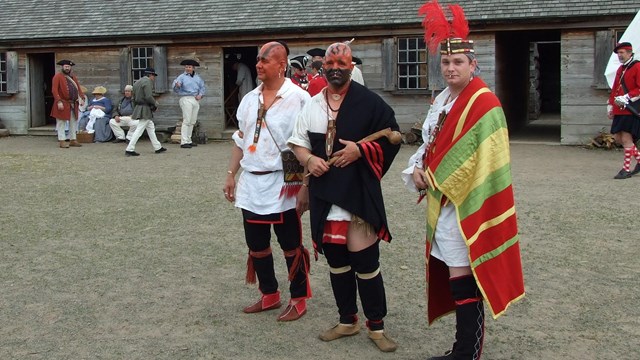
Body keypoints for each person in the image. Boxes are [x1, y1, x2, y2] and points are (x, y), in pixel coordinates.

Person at [402, 2, 525, 359]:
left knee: (465, 275)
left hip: (468, 204)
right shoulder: (441, 101)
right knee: (457, 275)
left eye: (458, 62)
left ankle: (467, 352)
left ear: (473, 65)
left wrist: (434, 178)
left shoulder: (485, 104)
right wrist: (416, 171)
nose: (451, 68)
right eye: (446, 62)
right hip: (442, 203)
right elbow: (429, 146)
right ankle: (462, 348)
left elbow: (486, 159)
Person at [288, 42, 400, 352]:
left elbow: (394, 136)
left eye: (342, 63)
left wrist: (360, 150)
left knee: (365, 261)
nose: (336, 68)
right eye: (331, 63)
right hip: (324, 193)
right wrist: (308, 161)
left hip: (357, 192)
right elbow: (297, 144)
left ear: (352, 67)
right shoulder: (311, 105)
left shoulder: (370, 103)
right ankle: (347, 320)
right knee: (337, 260)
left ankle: (376, 326)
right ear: (323, 67)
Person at [223, 41, 312, 322]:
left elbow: (309, 144)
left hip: (285, 182)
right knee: (256, 244)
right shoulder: (249, 99)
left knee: (290, 245)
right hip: (252, 183)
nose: (259, 64)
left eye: (265, 60)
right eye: (258, 60)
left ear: (282, 64)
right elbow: (241, 138)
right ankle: (269, 294)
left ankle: (298, 297)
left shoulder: (299, 98)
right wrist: (231, 175)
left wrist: (306, 187)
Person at [607, 41, 640, 179]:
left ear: (629, 53)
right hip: (619, 108)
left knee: (626, 138)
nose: (619, 55)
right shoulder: (621, 69)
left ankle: (625, 169)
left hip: (630, 107)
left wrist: (627, 97)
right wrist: (610, 106)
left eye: (622, 53)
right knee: (618, 137)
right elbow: (615, 89)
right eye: (618, 53)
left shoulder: (637, 66)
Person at [126, 67, 167, 156]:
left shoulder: (136, 82)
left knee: (150, 127)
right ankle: (130, 148)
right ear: (150, 75)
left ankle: (157, 147)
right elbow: (148, 96)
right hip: (144, 108)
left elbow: (133, 98)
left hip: (139, 106)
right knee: (140, 129)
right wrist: (155, 104)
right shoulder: (147, 82)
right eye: (153, 76)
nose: (154, 78)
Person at [51, 59, 85, 148]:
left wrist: (82, 97)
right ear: (62, 67)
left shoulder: (73, 77)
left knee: (73, 122)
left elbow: (78, 88)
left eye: (69, 67)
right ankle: (62, 140)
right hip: (63, 102)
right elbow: (54, 90)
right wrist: (58, 101)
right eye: (66, 66)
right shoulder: (57, 76)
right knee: (61, 122)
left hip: (73, 103)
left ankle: (73, 139)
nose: (67, 68)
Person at [172, 59, 206, 148]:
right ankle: (183, 141)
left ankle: (189, 139)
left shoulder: (198, 78)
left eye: (189, 67)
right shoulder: (181, 77)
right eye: (186, 67)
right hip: (186, 98)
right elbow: (175, 88)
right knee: (187, 120)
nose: (187, 68)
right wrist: (177, 85)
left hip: (195, 99)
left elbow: (202, 88)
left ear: (193, 68)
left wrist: (200, 95)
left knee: (192, 121)